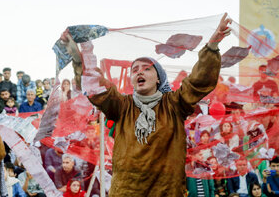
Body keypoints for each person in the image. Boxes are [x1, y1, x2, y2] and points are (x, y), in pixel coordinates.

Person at [60, 13, 231, 196]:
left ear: (159, 78)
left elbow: (198, 82)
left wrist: (212, 46)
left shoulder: (174, 104)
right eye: (135, 70)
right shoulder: (122, 106)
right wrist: (79, 59)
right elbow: (97, 87)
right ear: (132, 80)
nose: (139, 72)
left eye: (146, 68)